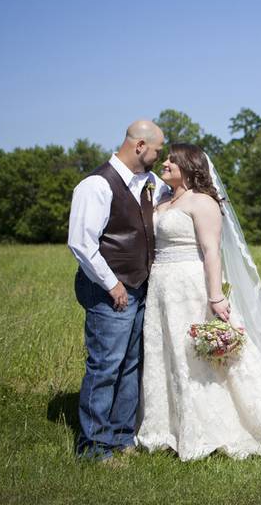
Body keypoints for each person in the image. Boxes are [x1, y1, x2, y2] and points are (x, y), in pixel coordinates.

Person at [135, 143, 261, 461]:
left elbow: (212, 251)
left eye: (172, 159)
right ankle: (166, 426)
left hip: (191, 286)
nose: (165, 162)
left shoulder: (203, 202)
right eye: (166, 157)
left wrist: (215, 296)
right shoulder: (164, 199)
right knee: (165, 352)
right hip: (161, 286)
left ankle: (213, 427)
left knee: (196, 357)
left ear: (188, 165)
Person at [67, 120, 167, 461]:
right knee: (105, 365)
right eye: (157, 150)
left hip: (140, 288)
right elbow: (81, 243)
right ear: (140, 146)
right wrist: (112, 284)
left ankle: (123, 437)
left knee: (130, 364)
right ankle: (94, 447)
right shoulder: (96, 185)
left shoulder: (150, 183)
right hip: (109, 290)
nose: (159, 156)